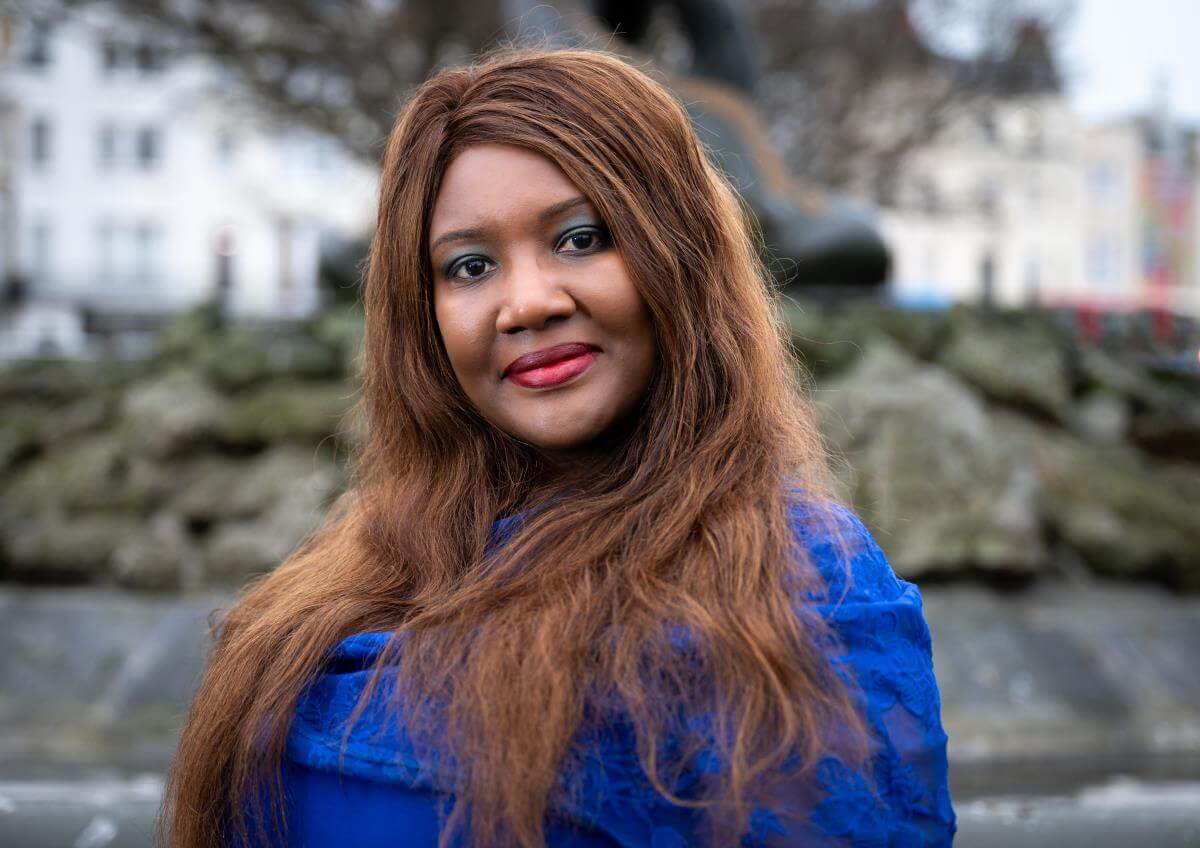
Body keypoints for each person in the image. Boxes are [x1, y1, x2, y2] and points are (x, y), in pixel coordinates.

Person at [159, 47, 956, 847]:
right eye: (470, 266)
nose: (529, 303)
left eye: (579, 239)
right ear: (422, 317)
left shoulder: (805, 586)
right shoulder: (344, 579)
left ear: (681, 257)